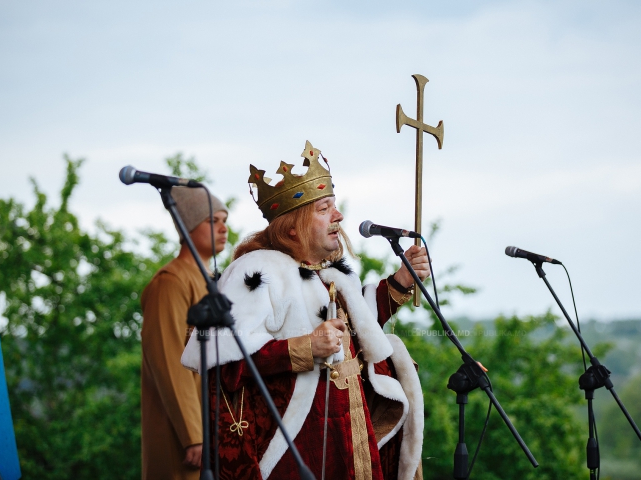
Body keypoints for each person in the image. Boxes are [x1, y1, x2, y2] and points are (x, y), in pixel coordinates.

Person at [182, 141, 429, 480]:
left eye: (335, 206)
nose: (338, 217)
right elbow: (226, 362)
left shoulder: (328, 272)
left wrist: (399, 283)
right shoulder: (256, 272)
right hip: (298, 446)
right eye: (324, 208)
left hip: (352, 433)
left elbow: (358, 327)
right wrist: (304, 349)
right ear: (293, 226)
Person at [141, 187, 229, 480]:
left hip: (217, 424)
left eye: (224, 219)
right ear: (189, 226)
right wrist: (193, 433)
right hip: (184, 434)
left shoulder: (213, 281)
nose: (223, 228)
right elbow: (168, 359)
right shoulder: (170, 282)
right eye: (212, 220)